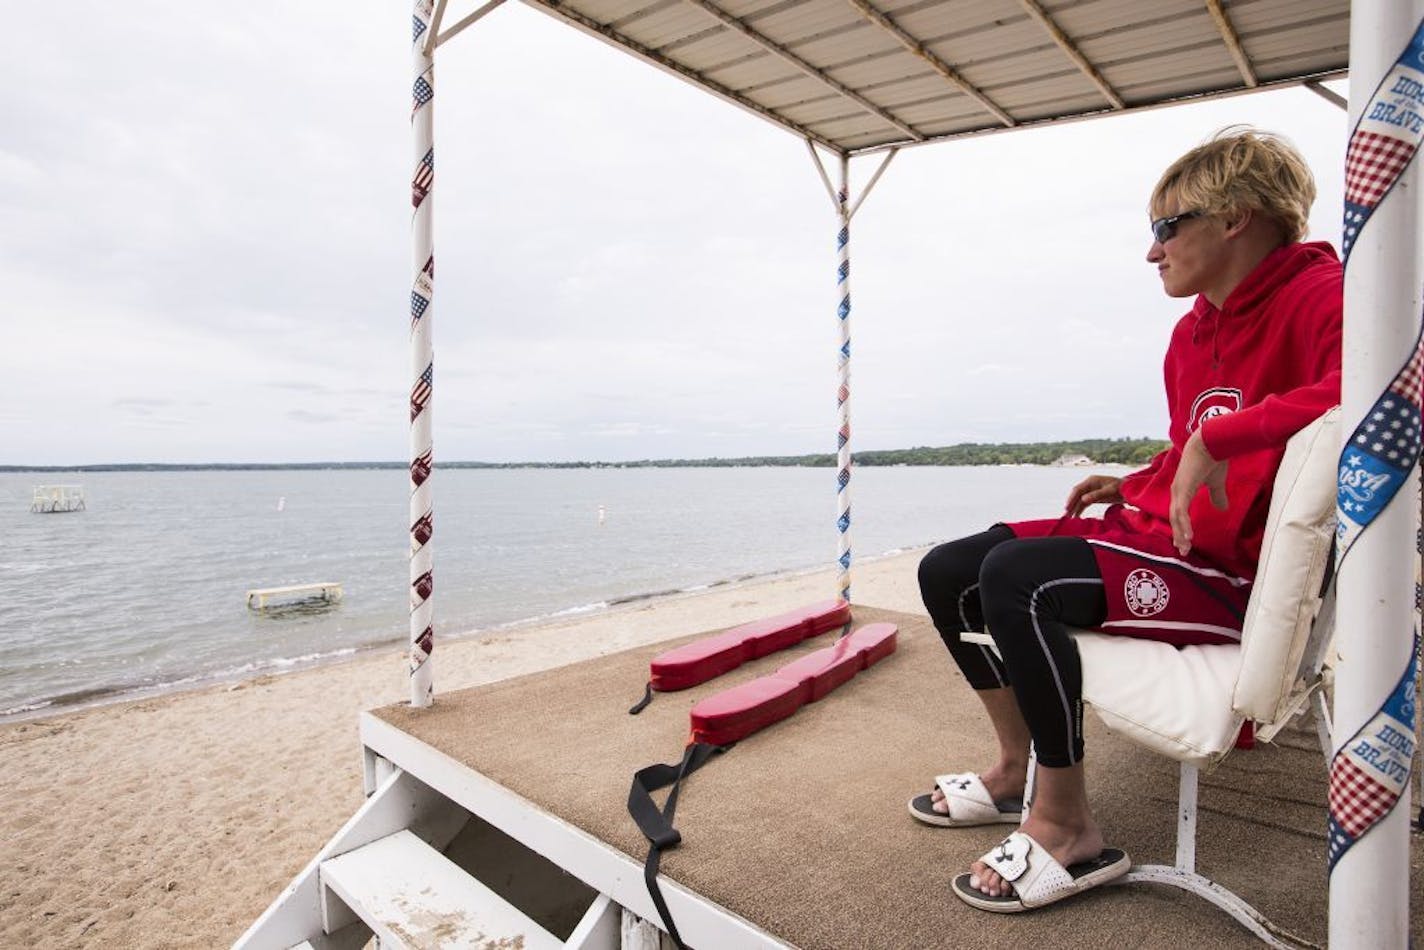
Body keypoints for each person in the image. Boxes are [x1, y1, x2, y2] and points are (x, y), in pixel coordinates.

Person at [909, 127, 1343, 913]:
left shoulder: (1323, 296)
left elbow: (1382, 392)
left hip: (1230, 575)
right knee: (947, 570)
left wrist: (1217, 438)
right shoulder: (1190, 335)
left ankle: (1068, 826)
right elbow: (1192, 455)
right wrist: (1137, 481)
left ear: (1238, 216)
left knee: (1018, 581)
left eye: (1166, 227)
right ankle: (1015, 773)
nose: (1153, 252)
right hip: (1170, 541)